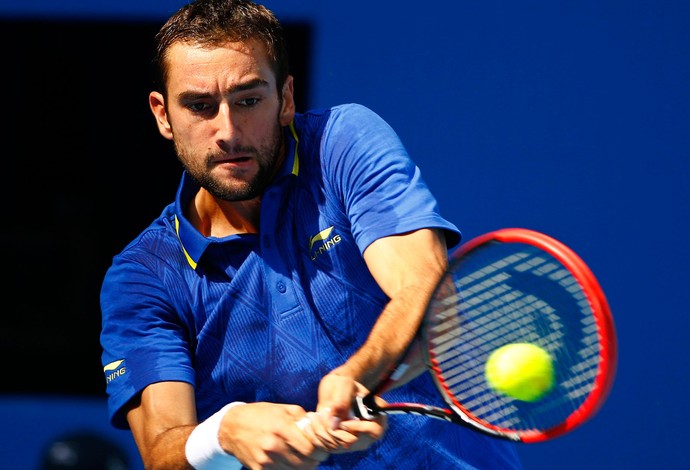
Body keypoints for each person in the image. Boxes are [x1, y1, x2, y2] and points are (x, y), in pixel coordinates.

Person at [99, 0, 524, 468]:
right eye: (200, 106)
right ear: (162, 115)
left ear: (286, 99)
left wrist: (359, 376)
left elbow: (425, 290)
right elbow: (160, 452)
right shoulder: (144, 275)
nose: (228, 130)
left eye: (248, 99)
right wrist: (223, 432)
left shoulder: (343, 143)